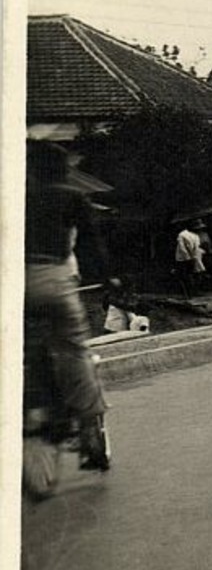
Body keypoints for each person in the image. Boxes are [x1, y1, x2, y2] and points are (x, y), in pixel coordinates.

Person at [24, 141, 111, 472]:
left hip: (17, 283)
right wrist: (108, 278)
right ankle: (90, 437)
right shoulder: (71, 196)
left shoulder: (18, 197)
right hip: (54, 280)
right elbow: (91, 244)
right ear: (63, 171)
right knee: (75, 352)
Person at [173, 220, 206, 299]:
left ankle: (190, 293)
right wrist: (192, 257)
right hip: (188, 258)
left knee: (187, 276)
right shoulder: (190, 236)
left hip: (186, 258)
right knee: (189, 275)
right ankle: (190, 292)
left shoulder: (187, 235)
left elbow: (185, 248)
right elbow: (186, 248)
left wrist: (190, 257)